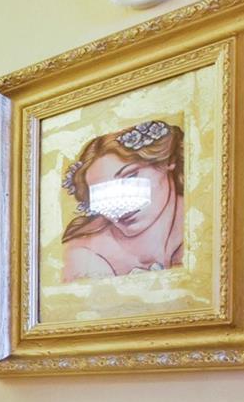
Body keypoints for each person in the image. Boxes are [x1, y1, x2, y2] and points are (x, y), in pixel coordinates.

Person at [60, 120, 186, 282]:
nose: (118, 204)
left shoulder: (206, 221)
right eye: (101, 192)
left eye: (130, 177)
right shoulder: (86, 255)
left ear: (168, 161)